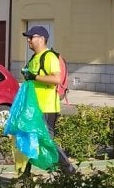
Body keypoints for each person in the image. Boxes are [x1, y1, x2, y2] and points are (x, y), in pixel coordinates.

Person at [21, 26, 76, 174]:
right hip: (33, 107)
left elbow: (56, 79)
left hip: (46, 108)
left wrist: (34, 77)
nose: (28, 40)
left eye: (31, 37)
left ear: (40, 39)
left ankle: (69, 170)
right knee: (28, 139)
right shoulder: (33, 58)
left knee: (47, 142)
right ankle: (24, 175)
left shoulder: (49, 57)